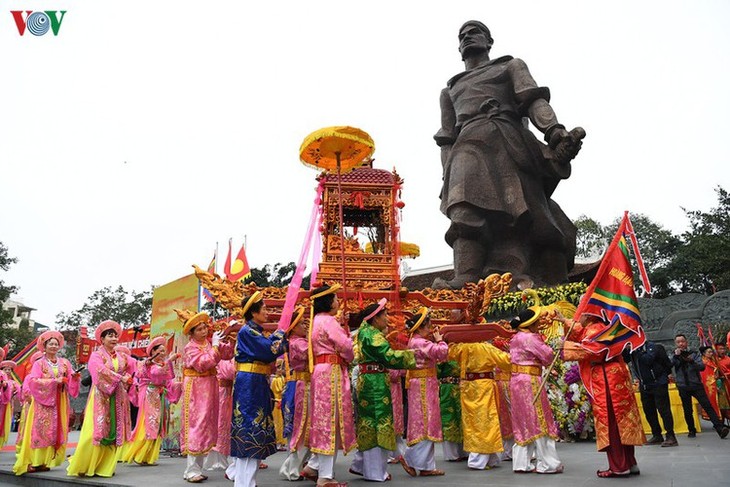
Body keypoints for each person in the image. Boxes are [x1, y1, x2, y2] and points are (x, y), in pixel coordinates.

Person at [433, 20, 583, 289]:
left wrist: (555, 133)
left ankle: (539, 274)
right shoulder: (450, 90)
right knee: (463, 204)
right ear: (458, 47)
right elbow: (446, 137)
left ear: (489, 41)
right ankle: (466, 275)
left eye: (474, 32)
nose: (467, 37)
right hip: (467, 146)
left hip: (508, 140)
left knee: (534, 217)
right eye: (462, 35)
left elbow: (534, 101)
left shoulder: (510, 66)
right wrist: (447, 174)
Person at [561, 314, 644, 478]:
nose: (578, 318)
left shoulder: (595, 328)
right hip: (616, 375)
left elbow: (594, 351)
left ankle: (619, 466)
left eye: (581, 313)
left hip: (606, 379)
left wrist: (565, 348)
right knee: (622, 420)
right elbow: (578, 333)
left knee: (611, 421)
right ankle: (630, 462)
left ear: (588, 314)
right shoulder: (601, 327)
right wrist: (564, 320)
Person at [349, 299, 417, 482]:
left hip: (370, 380)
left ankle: (360, 464)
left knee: (369, 423)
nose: (387, 318)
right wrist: (412, 354)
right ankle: (374, 472)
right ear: (375, 318)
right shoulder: (374, 335)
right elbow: (388, 356)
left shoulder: (365, 332)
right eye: (384, 315)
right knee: (378, 423)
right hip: (375, 383)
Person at [229, 291, 288, 487]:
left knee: (253, 426)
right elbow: (269, 349)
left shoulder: (254, 331)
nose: (267, 312)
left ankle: (245, 481)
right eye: (263, 309)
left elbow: (268, 345)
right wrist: (281, 333)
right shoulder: (248, 332)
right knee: (249, 428)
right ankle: (244, 483)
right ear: (253, 313)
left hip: (255, 381)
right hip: (250, 383)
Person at [67, 320, 133, 478]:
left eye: (115, 336)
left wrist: (129, 376)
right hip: (101, 396)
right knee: (95, 431)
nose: (114, 338)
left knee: (113, 430)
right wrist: (120, 378)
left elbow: (136, 366)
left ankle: (106, 466)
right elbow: (99, 371)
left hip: (117, 397)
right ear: (102, 339)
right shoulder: (96, 355)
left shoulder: (121, 356)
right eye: (110, 336)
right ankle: (86, 464)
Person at [307, 283, 355, 487]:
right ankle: (324, 476)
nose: (338, 301)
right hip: (331, 372)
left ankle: (314, 465)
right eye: (335, 298)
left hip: (321, 370)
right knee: (330, 420)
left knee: (322, 419)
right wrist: (349, 343)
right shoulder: (329, 321)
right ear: (328, 301)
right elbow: (345, 346)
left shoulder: (316, 320)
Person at [13, 331, 80, 475]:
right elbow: (33, 381)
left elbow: (70, 377)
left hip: (60, 401)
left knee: (55, 431)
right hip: (43, 403)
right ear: (44, 346)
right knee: (40, 430)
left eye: (56, 344)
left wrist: (74, 377)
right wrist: (54, 382)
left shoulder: (65, 363)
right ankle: (34, 461)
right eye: (51, 344)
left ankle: (45, 461)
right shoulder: (39, 364)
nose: (54, 346)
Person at [447, 327, 511, 471]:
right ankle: (480, 459)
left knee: (472, 423)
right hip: (484, 387)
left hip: (468, 387)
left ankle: (485, 458)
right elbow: (506, 361)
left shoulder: (461, 347)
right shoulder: (486, 347)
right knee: (486, 422)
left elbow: (448, 352)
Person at [179, 312, 232, 483]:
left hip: (209, 386)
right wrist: (215, 347)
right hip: (196, 386)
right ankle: (191, 470)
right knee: (197, 424)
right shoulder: (190, 347)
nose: (203, 331)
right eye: (199, 329)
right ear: (191, 333)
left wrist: (230, 336)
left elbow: (228, 354)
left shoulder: (208, 343)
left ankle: (197, 469)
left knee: (207, 424)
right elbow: (202, 364)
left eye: (204, 328)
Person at [509, 308, 563, 474]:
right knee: (540, 420)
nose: (540, 324)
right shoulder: (530, 338)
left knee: (522, 421)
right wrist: (557, 348)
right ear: (530, 324)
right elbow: (547, 356)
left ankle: (521, 463)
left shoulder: (515, 337)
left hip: (516, 381)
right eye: (537, 322)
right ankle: (548, 463)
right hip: (530, 382)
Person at [121, 335, 182, 466]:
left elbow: (168, 380)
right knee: (149, 423)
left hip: (159, 395)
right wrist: (169, 361)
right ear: (152, 352)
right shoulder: (147, 364)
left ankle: (148, 457)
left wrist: (179, 385)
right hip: (149, 393)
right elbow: (155, 373)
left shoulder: (161, 364)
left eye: (164, 350)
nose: (162, 352)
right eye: (159, 350)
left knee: (158, 424)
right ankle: (139, 454)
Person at [404, 308, 449, 476]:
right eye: (429, 326)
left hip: (425, 383)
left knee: (426, 421)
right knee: (425, 421)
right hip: (423, 385)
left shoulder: (415, 341)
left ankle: (426, 466)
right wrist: (440, 341)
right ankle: (412, 458)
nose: (431, 329)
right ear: (421, 327)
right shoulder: (419, 342)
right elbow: (441, 353)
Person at [671, 334, 729, 439]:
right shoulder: (673, 354)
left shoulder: (694, 353)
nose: (681, 344)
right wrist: (676, 356)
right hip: (683, 385)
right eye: (678, 342)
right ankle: (691, 430)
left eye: (682, 341)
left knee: (707, 406)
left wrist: (691, 361)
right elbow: (670, 365)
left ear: (686, 342)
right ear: (675, 343)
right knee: (687, 409)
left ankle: (719, 428)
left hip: (696, 385)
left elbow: (701, 367)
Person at [624, 340, 678, 447]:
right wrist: (625, 350)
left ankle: (671, 436)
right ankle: (657, 435)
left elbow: (648, 360)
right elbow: (625, 360)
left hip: (658, 383)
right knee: (649, 411)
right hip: (644, 385)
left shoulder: (651, 346)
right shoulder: (632, 350)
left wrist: (636, 349)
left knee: (664, 411)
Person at [279, 307, 311, 481]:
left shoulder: (299, 340)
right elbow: (310, 352)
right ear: (292, 327)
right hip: (300, 386)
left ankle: (294, 467)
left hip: (302, 384)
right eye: (301, 323)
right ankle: (292, 469)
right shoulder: (296, 342)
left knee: (303, 428)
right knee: (301, 428)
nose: (305, 326)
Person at [204, 322, 239, 472]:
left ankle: (227, 457)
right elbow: (229, 372)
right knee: (221, 424)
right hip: (222, 392)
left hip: (228, 392)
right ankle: (219, 459)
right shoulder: (220, 354)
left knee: (226, 424)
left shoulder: (225, 351)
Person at [437, 360, 466, 462]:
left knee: (462, 419)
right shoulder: (443, 350)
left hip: (461, 387)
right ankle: (451, 454)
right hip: (447, 388)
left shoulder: (460, 349)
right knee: (449, 418)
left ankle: (463, 451)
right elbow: (437, 370)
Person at [699, 346, 730, 424]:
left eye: (711, 352)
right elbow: (705, 376)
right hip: (712, 386)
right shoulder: (703, 362)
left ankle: (721, 420)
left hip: (719, 384)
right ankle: (718, 421)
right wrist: (715, 379)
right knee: (716, 404)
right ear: (704, 353)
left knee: (723, 403)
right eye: (709, 352)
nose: (711, 353)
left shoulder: (713, 361)